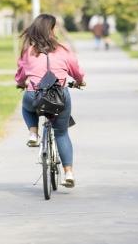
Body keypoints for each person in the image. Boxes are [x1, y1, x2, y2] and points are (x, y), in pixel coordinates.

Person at [15, 14, 85, 188]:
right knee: (61, 133)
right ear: (52, 30)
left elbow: (21, 75)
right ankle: (68, 173)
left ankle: (33, 133)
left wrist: (20, 83)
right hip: (59, 96)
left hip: (34, 95)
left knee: (27, 107)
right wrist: (79, 81)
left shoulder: (28, 51)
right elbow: (76, 71)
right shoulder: (63, 49)